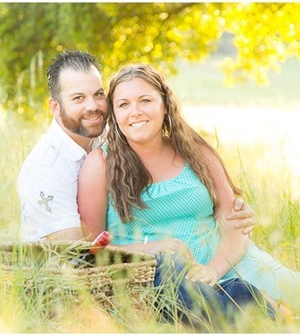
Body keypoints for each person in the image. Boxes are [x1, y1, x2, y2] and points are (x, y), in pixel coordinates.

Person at [18, 51, 262, 324]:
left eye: (98, 95)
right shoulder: (46, 169)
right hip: (72, 289)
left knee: (176, 277)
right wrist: (155, 248)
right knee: (170, 272)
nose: (93, 106)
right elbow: (82, 254)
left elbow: (230, 215)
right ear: (55, 106)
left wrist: (238, 214)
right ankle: (244, 306)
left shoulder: (103, 138)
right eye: (78, 98)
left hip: (179, 270)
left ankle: (241, 304)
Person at [77, 64, 300, 317]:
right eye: (123, 104)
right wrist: (154, 248)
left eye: (145, 100)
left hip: (230, 261)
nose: (135, 112)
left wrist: (214, 269)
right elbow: (93, 247)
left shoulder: (195, 151)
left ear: (164, 105)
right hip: (168, 280)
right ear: (113, 113)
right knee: (252, 313)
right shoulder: (100, 164)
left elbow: (234, 222)